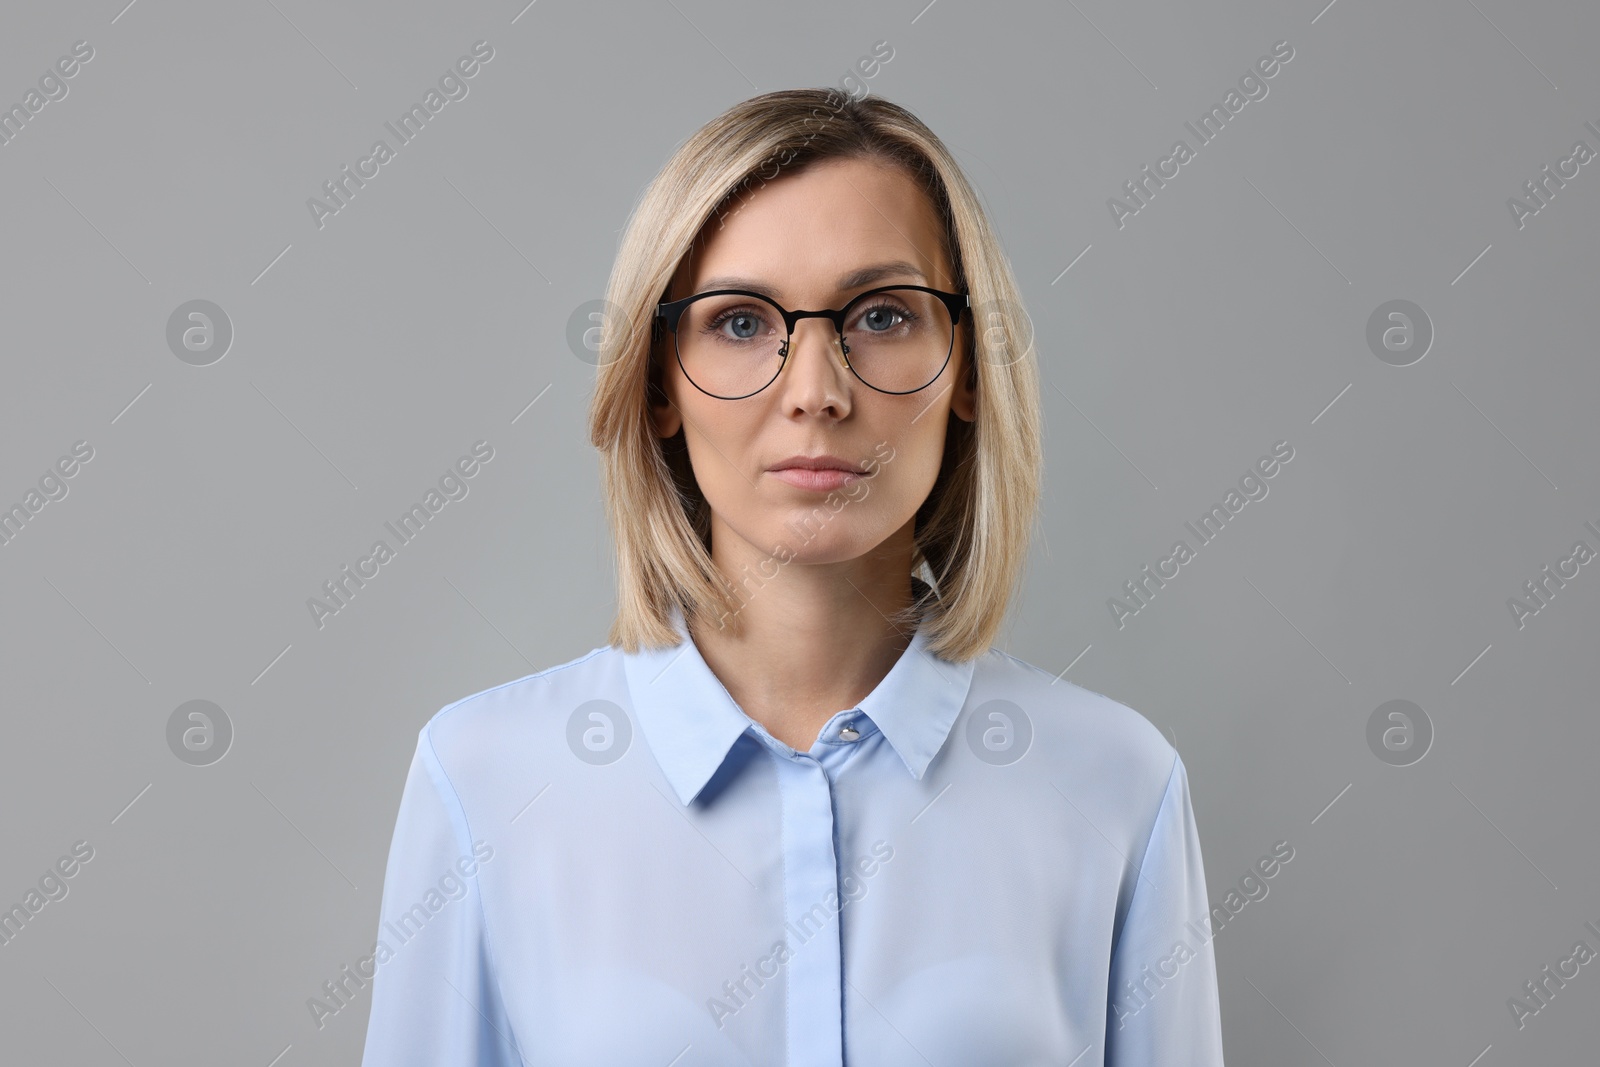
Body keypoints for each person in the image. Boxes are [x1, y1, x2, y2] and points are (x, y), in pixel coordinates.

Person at [360, 87, 1225, 1066]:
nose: (816, 391)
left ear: (971, 369)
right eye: (738, 323)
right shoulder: (485, 777)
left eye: (883, 314)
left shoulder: (1114, 782)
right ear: (657, 385)